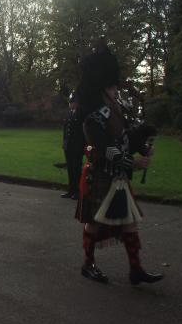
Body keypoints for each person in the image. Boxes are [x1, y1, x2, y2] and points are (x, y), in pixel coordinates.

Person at [74, 41, 162, 285]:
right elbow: (106, 149)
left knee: (129, 222)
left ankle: (136, 270)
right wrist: (133, 163)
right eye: (112, 87)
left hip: (118, 177)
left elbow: (124, 139)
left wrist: (143, 146)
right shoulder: (93, 119)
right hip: (101, 175)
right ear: (101, 90)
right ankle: (88, 264)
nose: (116, 91)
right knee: (94, 222)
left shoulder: (116, 111)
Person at [61, 91, 84, 199]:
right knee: (70, 169)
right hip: (68, 146)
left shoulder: (81, 114)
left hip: (77, 146)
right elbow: (65, 129)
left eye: (73, 102)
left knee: (77, 169)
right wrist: (64, 142)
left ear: (77, 103)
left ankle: (78, 192)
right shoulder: (69, 113)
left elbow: (83, 131)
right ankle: (71, 190)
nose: (71, 104)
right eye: (71, 102)